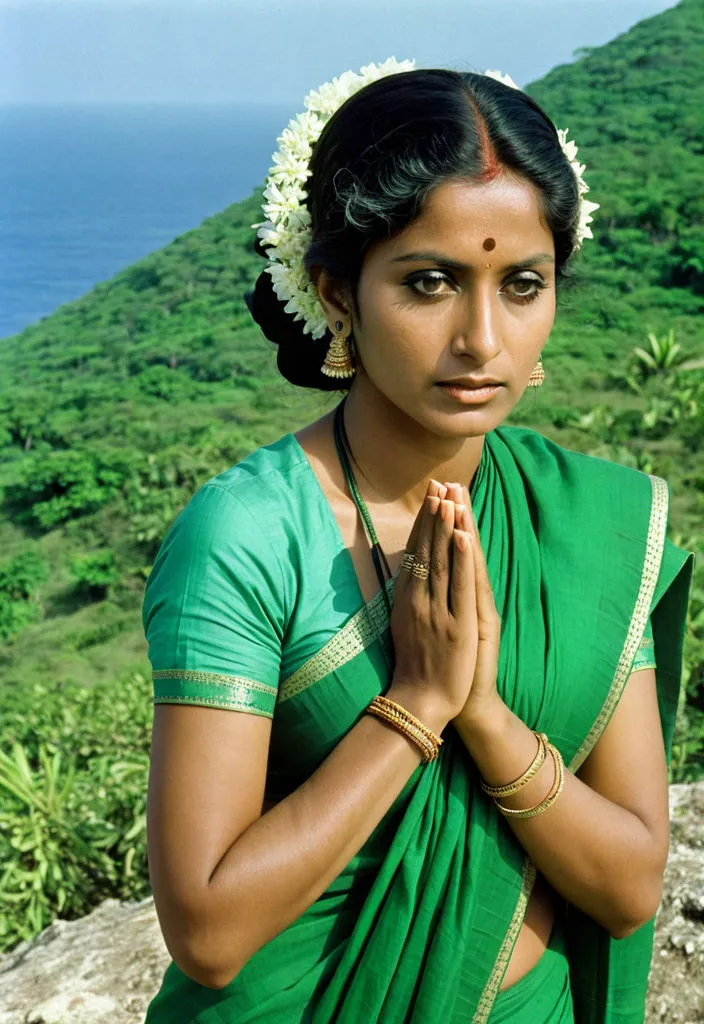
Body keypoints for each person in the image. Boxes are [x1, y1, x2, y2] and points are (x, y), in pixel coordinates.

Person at [141, 61, 694, 1023]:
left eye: (522, 284)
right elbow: (210, 932)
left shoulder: (587, 520)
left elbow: (630, 885)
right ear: (338, 292)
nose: (482, 338)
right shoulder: (251, 535)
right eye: (430, 282)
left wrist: (480, 711)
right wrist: (415, 704)